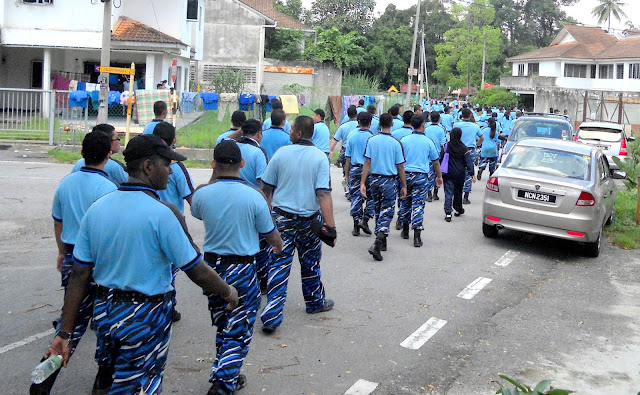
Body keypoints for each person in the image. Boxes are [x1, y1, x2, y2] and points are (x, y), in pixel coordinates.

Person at [42, 134, 239, 395]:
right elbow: (196, 270)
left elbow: (79, 275)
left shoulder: (97, 209)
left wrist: (65, 333)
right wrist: (227, 291)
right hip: (144, 316)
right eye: (166, 164)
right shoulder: (162, 214)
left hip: (105, 312)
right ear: (148, 166)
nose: (170, 170)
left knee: (110, 375)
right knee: (140, 384)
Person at [191, 140, 283, 395]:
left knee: (223, 322)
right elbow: (270, 234)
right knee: (239, 327)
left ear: (213, 165)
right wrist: (278, 245)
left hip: (211, 269)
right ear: (242, 163)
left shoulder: (202, 195)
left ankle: (224, 371)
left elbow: (198, 212)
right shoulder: (254, 197)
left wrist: (213, 176)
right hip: (242, 268)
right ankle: (223, 383)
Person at [30, 131, 118, 395]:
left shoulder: (66, 184)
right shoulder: (109, 189)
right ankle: (103, 381)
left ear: (81, 154)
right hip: (99, 265)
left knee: (71, 323)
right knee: (106, 323)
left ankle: (44, 379)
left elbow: (58, 221)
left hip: (71, 256)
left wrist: (61, 252)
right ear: (108, 155)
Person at [260, 115, 336, 334]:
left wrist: (267, 218)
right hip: (310, 223)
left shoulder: (281, 153)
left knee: (278, 265)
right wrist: (331, 229)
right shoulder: (320, 158)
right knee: (310, 263)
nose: (289, 131)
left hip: (282, 220)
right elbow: (323, 194)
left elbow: (266, 189)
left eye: (292, 129)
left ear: (300, 133)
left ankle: (272, 315)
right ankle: (314, 302)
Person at [153, 121, 196, 322]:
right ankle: (168, 307)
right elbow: (190, 198)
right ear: (174, 140)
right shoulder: (177, 167)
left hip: (147, 220)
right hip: (172, 224)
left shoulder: (146, 164)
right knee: (169, 270)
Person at [360, 113, 407, 261]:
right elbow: (400, 167)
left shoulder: (371, 140)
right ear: (392, 124)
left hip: (374, 179)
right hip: (389, 181)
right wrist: (404, 185)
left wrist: (362, 182)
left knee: (378, 209)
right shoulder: (396, 143)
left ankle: (382, 240)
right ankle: (378, 241)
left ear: (379, 124)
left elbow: (367, 163)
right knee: (387, 212)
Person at [235, 119, 271, 293]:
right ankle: (261, 280)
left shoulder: (232, 147)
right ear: (258, 134)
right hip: (253, 203)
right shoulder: (258, 152)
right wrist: (268, 208)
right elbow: (263, 184)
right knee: (261, 243)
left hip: (232, 202)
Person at [398, 115, 443, 247]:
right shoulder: (428, 142)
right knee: (418, 205)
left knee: (405, 201)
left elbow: (399, 160)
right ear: (423, 125)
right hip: (421, 177)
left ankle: (405, 230)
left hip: (405, 175)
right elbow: (435, 162)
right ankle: (417, 236)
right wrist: (439, 176)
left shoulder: (404, 140)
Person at [344, 112, 375, 237]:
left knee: (356, 197)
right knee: (371, 195)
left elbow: (348, 158)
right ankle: (366, 219)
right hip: (370, 170)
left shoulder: (352, 137)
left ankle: (356, 225)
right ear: (370, 122)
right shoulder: (372, 138)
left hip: (355, 169)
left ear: (358, 121)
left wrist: (346, 174)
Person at [442, 127, 476, 222]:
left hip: (448, 173)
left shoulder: (447, 146)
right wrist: (472, 173)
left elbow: (441, 158)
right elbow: (468, 162)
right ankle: (458, 209)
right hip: (460, 174)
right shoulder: (464, 148)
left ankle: (448, 213)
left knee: (448, 193)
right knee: (458, 192)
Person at [454, 108, 483, 205]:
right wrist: (476, 144)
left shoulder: (456, 124)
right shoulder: (475, 126)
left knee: (457, 171)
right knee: (469, 172)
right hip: (470, 150)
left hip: (458, 149)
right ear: (470, 115)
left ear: (461, 115)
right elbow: (482, 137)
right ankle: (466, 196)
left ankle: (457, 193)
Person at [424, 111, 447, 202]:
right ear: (439, 119)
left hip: (428, 155)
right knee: (438, 174)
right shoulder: (441, 129)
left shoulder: (426, 128)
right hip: (438, 155)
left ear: (429, 118)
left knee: (429, 175)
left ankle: (429, 194)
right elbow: (443, 144)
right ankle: (435, 193)